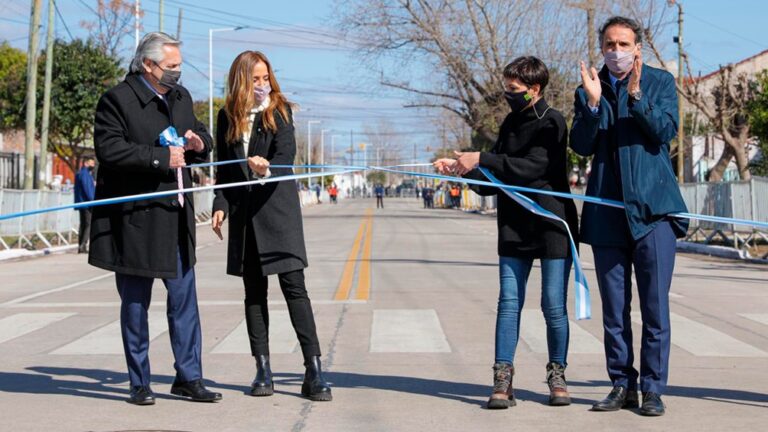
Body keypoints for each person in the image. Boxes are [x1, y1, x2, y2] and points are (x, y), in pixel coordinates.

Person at [435, 56, 578, 410]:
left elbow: (534, 167)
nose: (507, 95)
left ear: (534, 89)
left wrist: (481, 158)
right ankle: (502, 378)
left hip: (551, 224)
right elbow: (494, 182)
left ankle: (557, 375)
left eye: (513, 90)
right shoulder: (509, 124)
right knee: (509, 303)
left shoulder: (553, 122)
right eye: (506, 88)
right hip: (514, 226)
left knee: (553, 306)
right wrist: (461, 171)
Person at [90, 32, 221, 405]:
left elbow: (202, 136)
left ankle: (189, 376)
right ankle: (139, 381)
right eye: (171, 67)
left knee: (184, 301)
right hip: (135, 220)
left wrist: (199, 144)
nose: (177, 73)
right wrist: (160, 159)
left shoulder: (180, 98)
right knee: (135, 305)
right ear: (148, 64)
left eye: (179, 66)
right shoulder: (118, 99)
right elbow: (110, 148)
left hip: (175, 217)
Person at [570, 16, 689, 417]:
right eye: (609, 44)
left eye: (623, 44)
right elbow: (582, 145)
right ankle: (622, 383)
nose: (615, 51)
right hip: (607, 216)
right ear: (601, 47)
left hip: (653, 214)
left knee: (655, 308)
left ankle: (653, 388)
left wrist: (637, 96)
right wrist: (590, 103)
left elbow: (665, 131)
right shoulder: (591, 87)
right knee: (614, 309)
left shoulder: (659, 82)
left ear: (638, 47)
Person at [211, 50, 332, 402]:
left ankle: (314, 370)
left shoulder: (279, 111)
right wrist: (221, 205)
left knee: (295, 289)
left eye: (266, 78)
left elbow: (286, 157)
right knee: (254, 293)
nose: (262, 85)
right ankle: (263, 368)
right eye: (255, 79)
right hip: (246, 217)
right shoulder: (227, 116)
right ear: (240, 82)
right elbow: (224, 170)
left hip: (278, 214)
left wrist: (267, 169)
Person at [74, 156, 96, 253]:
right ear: (86, 163)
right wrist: (93, 200)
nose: (93, 166)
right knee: (88, 224)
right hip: (87, 203)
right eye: (91, 163)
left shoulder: (80, 173)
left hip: (81, 203)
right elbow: (87, 189)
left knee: (83, 224)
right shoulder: (85, 174)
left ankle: (80, 245)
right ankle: (83, 245)